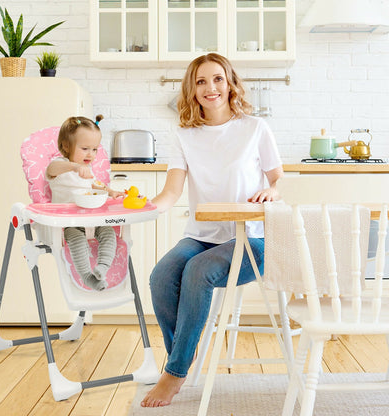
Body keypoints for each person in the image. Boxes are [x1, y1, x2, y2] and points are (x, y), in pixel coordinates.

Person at [141, 53, 283, 407]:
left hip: (252, 238)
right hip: (202, 236)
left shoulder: (254, 128)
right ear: (192, 89)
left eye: (217, 79)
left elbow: (278, 178)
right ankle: (184, 358)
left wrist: (272, 190)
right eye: (201, 81)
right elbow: (171, 192)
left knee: (198, 271)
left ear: (230, 82)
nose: (211, 88)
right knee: (161, 276)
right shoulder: (184, 135)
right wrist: (139, 207)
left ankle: (174, 373)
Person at [46, 115, 125, 291]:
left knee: (109, 234)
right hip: (70, 223)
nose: (91, 154)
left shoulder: (88, 171)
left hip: (92, 219)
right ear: (66, 146)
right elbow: (51, 170)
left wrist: (111, 192)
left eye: (95, 149)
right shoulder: (61, 165)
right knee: (76, 241)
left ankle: (102, 267)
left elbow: (97, 185)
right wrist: (74, 167)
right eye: (85, 148)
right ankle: (87, 277)